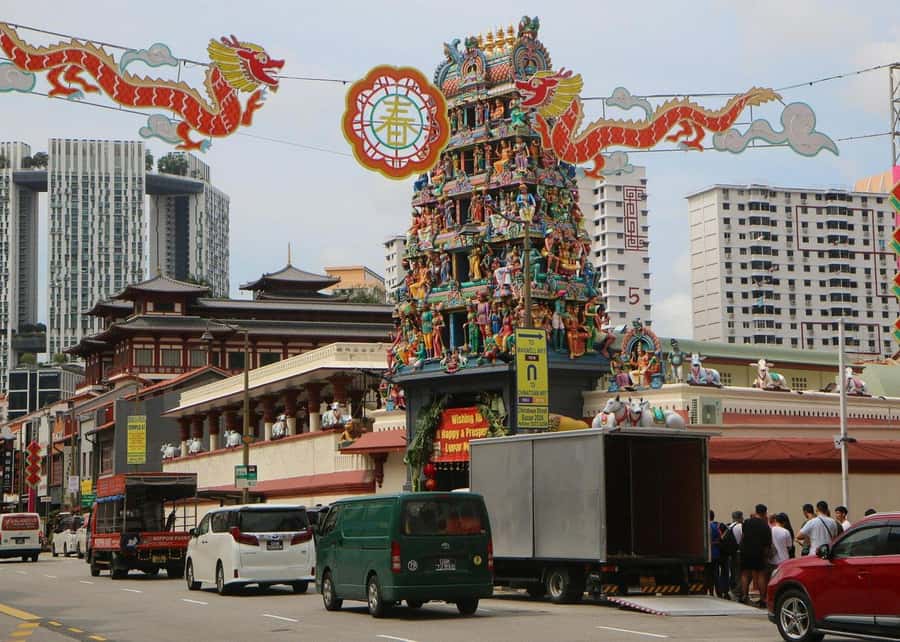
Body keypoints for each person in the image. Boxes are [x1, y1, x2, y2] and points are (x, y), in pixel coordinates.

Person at [739, 504, 772, 608]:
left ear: (756, 511)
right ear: (765, 513)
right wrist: (766, 555)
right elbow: (767, 543)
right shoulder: (765, 525)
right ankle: (762, 599)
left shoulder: (747, 522)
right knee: (761, 575)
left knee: (745, 573)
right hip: (759, 552)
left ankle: (744, 596)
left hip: (746, 551)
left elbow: (743, 537)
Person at [722, 510, 744, 601]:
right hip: (738, 552)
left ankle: (732, 590)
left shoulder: (730, 526)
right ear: (740, 517)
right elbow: (743, 538)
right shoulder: (740, 526)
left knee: (733, 572)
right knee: (739, 573)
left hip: (731, 553)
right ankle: (736, 592)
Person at [706, 510, 721, 596]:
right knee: (716, 573)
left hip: (709, 553)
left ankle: (711, 592)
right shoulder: (716, 526)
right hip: (716, 553)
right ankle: (718, 592)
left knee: (709, 574)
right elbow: (719, 539)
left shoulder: (708, 526)